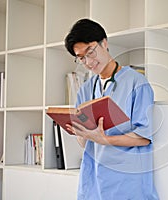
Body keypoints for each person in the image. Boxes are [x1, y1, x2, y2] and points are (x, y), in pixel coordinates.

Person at [64, 18, 159, 200]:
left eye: (90, 52)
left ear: (104, 43)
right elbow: (84, 142)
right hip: (94, 179)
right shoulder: (85, 89)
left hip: (127, 180)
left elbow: (144, 137)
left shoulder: (137, 83)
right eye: (81, 58)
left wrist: (104, 139)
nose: (88, 62)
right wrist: (81, 133)